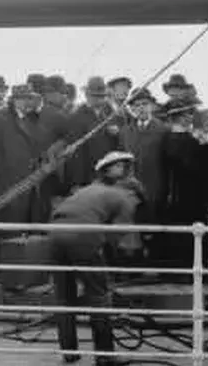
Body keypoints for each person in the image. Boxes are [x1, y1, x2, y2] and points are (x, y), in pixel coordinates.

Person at [48, 151, 143, 366]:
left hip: (54, 234)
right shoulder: (124, 198)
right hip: (83, 236)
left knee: (64, 297)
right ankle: (105, 356)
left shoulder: (86, 190)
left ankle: (69, 351)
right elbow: (117, 236)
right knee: (99, 295)